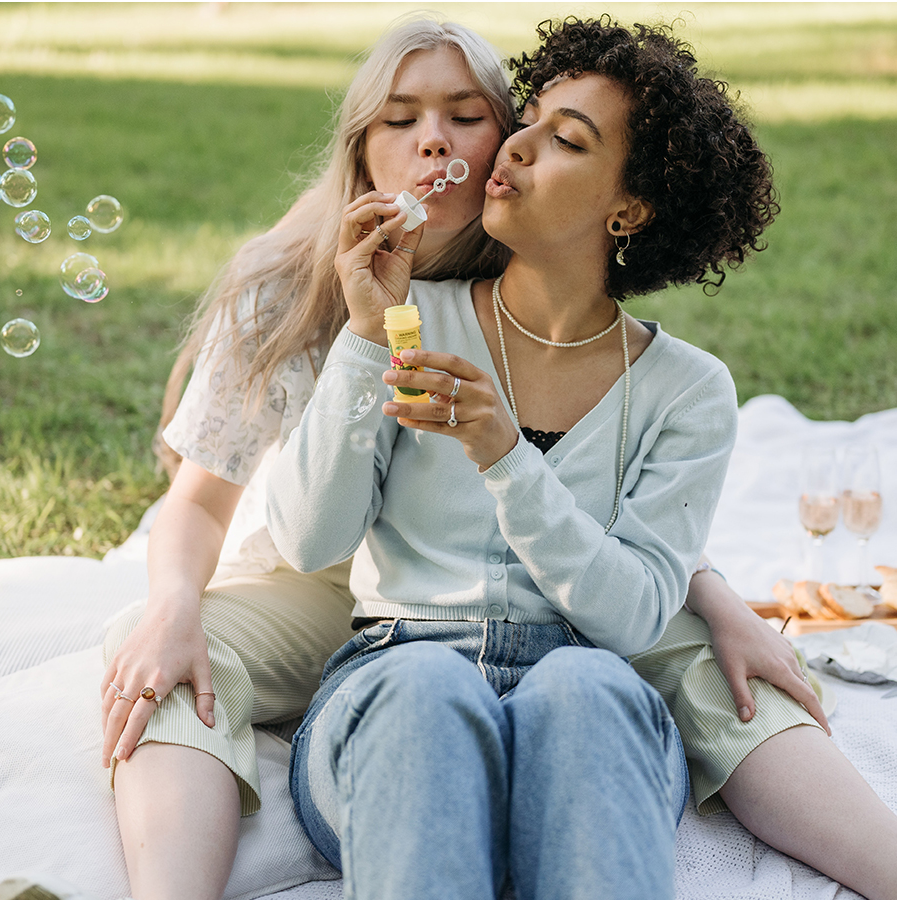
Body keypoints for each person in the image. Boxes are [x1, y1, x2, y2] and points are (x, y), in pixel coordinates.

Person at [101, 13, 897, 900]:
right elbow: (280, 525)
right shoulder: (356, 298)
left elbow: (625, 563)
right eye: (398, 120)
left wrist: (710, 594)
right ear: (360, 147)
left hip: (574, 629)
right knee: (314, 676)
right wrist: (367, 337)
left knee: (623, 681)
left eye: (478, 119)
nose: (439, 144)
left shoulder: (657, 365)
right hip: (362, 614)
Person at [264, 15, 766, 898]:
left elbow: (633, 616)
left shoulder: (684, 391)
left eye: (565, 139)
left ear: (629, 210)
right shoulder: (413, 314)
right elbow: (308, 539)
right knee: (424, 685)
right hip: (392, 679)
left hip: (585, 697)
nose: (516, 146)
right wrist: (363, 336)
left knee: (582, 685)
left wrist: (505, 459)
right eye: (526, 119)